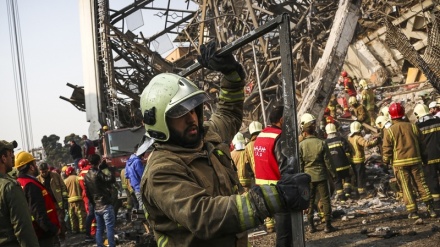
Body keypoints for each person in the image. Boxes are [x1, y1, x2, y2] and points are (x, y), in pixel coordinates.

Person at [139, 41, 309, 247]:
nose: (191, 118)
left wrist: (231, 75)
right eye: (180, 114)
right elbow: (204, 216)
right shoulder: (161, 170)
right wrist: (276, 197)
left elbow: (228, 112)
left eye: (193, 109)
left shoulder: (207, 136)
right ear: (159, 122)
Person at [382, 102, 437, 219]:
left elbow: (387, 148)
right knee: (421, 184)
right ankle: (431, 209)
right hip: (416, 161)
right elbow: (422, 145)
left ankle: (413, 212)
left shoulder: (390, 131)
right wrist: (425, 158)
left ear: (391, 116)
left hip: (400, 164)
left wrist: (385, 161)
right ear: (403, 114)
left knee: (406, 187)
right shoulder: (413, 126)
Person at [253, 105, 290, 241]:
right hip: (278, 190)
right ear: (281, 120)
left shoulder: (261, 136)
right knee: (284, 233)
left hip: (262, 189)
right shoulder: (278, 136)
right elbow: (284, 166)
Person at [299, 113, 337, 233]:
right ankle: (327, 225)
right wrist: (333, 174)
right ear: (314, 127)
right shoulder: (321, 143)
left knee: (310, 200)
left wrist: (300, 178)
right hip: (321, 176)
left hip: (307, 177)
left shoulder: (301, 145)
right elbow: (328, 162)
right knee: (325, 200)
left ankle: (311, 226)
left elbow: (300, 164)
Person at [15, 151, 60, 246]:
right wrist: (52, 229)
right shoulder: (30, 185)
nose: (36, 167)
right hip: (44, 234)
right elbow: (38, 212)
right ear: (30, 167)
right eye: (34, 164)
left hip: (36, 231)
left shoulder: (20, 182)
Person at [0, 140, 39, 247]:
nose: (13, 156)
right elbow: (23, 228)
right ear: (3, 158)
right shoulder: (9, 187)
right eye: (10, 153)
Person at [84, 154, 116, 247]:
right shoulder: (98, 173)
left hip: (96, 206)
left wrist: (94, 203)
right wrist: (107, 168)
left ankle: (99, 245)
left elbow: (88, 193)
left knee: (99, 228)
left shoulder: (87, 176)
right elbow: (111, 179)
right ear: (98, 161)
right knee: (109, 227)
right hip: (105, 204)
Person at [413, 103, 440, 212]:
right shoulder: (438, 121)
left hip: (427, 158)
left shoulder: (417, 127)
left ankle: (437, 204)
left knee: (432, 179)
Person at [37, 162, 68, 242]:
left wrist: (64, 199)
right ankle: (55, 240)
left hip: (57, 203)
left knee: (60, 221)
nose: (44, 173)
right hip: (47, 206)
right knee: (51, 223)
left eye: (45, 171)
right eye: (42, 171)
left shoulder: (55, 176)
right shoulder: (37, 180)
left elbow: (63, 187)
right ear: (39, 171)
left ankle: (62, 238)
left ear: (48, 170)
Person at [347, 121, 378, 198]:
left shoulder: (349, 137)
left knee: (355, 176)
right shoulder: (358, 138)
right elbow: (366, 144)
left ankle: (355, 192)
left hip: (352, 160)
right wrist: (374, 142)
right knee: (360, 176)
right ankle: (362, 193)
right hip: (359, 160)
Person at [324, 123, 353, 202]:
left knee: (337, 181)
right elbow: (347, 151)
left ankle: (342, 198)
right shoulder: (341, 139)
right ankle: (347, 193)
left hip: (334, 167)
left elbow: (325, 156)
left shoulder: (325, 143)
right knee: (347, 178)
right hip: (344, 164)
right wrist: (349, 161)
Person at [77, 159, 96, 243]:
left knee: (90, 214)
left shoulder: (80, 174)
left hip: (86, 195)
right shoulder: (90, 169)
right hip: (93, 194)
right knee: (93, 214)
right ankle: (93, 232)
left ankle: (90, 233)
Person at [64, 166, 86, 234]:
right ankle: (82, 229)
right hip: (78, 199)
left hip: (70, 201)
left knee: (72, 216)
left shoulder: (65, 181)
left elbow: (64, 192)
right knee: (80, 215)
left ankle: (74, 229)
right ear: (73, 171)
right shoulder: (77, 178)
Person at [125, 144, 146, 210]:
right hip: (140, 186)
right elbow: (143, 175)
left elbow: (127, 175)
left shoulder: (128, 162)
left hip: (134, 186)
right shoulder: (137, 161)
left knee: (140, 203)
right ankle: (143, 219)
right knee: (143, 205)